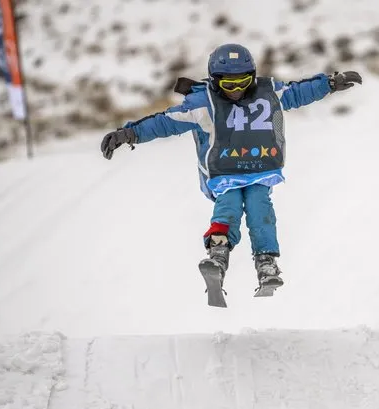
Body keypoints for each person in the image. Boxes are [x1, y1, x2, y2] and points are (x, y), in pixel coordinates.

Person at [100, 43, 362, 301]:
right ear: (215, 82)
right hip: (224, 172)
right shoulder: (204, 104)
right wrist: (129, 133)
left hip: (259, 168)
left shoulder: (269, 92)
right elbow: (165, 122)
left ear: (253, 77)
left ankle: (266, 261)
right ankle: (218, 252)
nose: (236, 91)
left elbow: (298, 92)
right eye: (229, 85)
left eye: (243, 82)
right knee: (229, 205)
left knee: (261, 207)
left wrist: (329, 83)